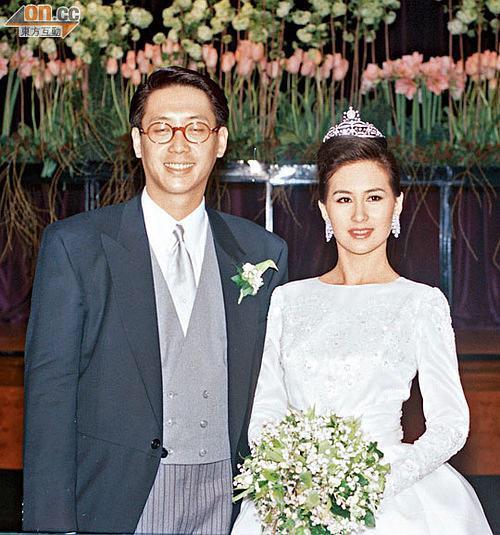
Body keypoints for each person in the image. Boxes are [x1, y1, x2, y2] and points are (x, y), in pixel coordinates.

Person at [23, 66, 288, 534]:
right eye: (162, 129)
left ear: (220, 142)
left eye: (196, 129)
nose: (179, 145)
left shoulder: (262, 253)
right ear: (137, 141)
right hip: (117, 500)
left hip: (230, 502)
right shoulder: (76, 247)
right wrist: (50, 526)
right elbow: (50, 397)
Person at [232, 108, 492, 534]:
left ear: (397, 204)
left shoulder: (420, 303)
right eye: (343, 199)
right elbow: (266, 410)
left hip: (390, 495)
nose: (358, 216)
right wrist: (294, 476)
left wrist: (378, 483)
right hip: (296, 494)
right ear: (323, 209)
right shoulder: (288, 300)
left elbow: (450, 424)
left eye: (373, 198)